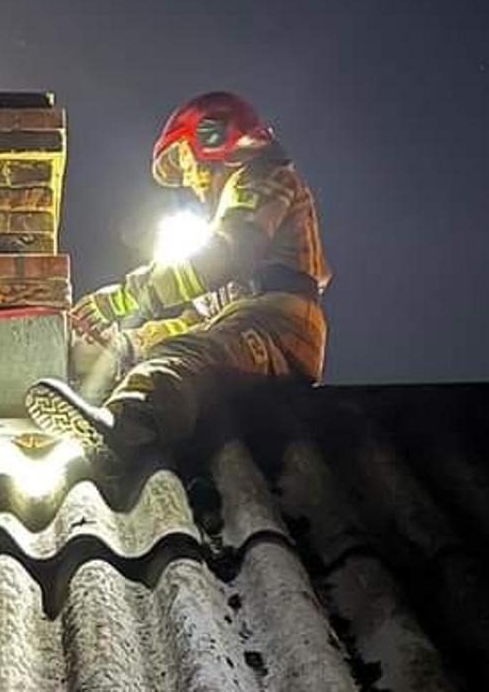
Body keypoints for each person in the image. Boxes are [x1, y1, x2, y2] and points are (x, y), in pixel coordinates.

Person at [26, 91, 330, 464]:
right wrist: (126, 345)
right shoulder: (230, 209)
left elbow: (226, 256)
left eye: (186, 160)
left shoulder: (263, 178)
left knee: (181, 356)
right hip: (249, 322)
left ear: (214, 138)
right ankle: (90, 420)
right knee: (167, 348)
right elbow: (201, 319)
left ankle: (124, 428)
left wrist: (123, 299)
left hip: (278, 326)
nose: (187, 178)